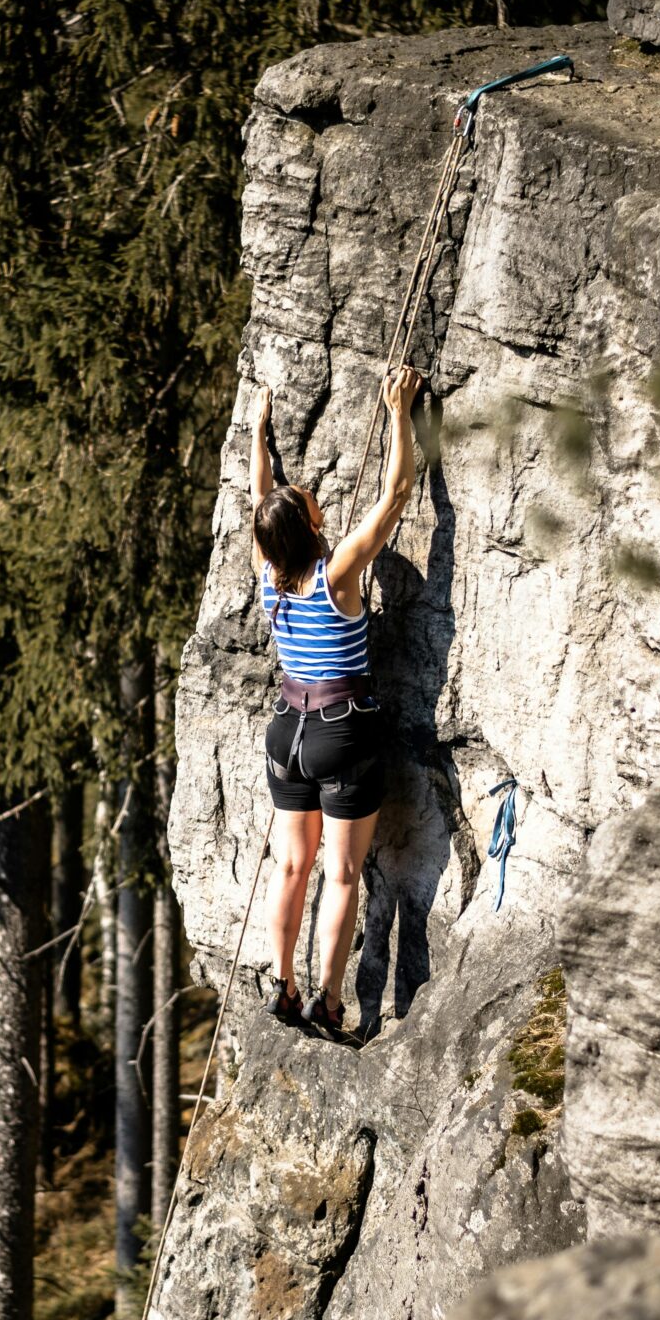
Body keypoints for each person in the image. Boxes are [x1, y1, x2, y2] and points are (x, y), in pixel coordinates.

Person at [251, 363, 423, 1043]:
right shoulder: (339, 570)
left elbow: (262, 496)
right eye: (307, 498)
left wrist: (259, 436)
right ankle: (327, 999)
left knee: (292, 864)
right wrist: (400, 411)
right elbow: (399, 492)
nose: (311, 495)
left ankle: (282, 982)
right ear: (311, 523)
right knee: (342, 872)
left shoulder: (269, 575)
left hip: (288, 733)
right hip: (341, 734)